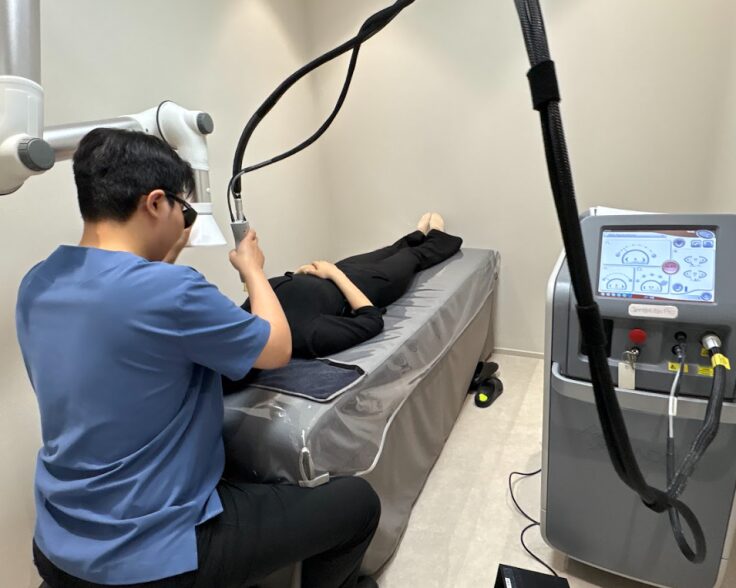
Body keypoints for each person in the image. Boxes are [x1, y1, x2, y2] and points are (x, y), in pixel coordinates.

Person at [16, 128, 381, 588]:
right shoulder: (172, 290)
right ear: (155, 203)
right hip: (151, 555)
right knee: (358, 505)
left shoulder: (38, 283)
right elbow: (277, 348)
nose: (185, 221)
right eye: (182, 208)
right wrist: (253, 269)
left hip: (58, 547)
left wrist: (163, 255)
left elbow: (132, 329)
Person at [242, 213, 463, 359]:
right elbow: (372, 320)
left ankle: (417, 235)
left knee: (390, 249)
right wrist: (334, 274)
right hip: (368, 284)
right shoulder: (308, 336)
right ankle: (438, 236)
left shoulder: (250, 312)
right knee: (412, 256)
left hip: (332, 271)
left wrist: (301, 274)